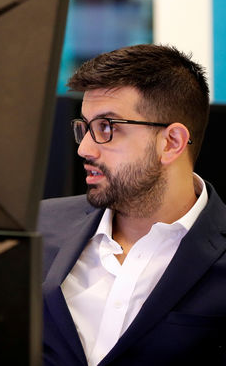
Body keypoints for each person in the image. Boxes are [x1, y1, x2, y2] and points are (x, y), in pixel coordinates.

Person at [39, 44, 226, 365]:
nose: (85, 148)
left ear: (172, 142)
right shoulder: (39, 226)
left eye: (107, 128)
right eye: (84, 127)